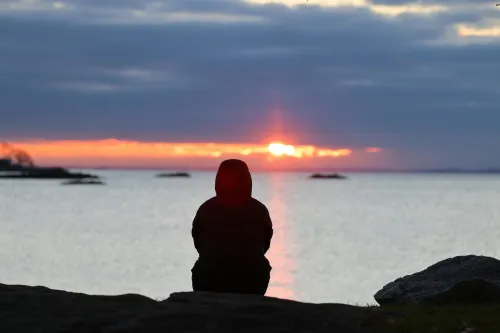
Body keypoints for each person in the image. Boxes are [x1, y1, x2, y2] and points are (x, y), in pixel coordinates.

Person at [191, 159, 273, 295]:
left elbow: (198, 243)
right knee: (261, 265)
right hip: (251, 282)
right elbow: (265, 243)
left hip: (209, 281)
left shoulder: (206, 209)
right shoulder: (259, 210)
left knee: (202, 265)